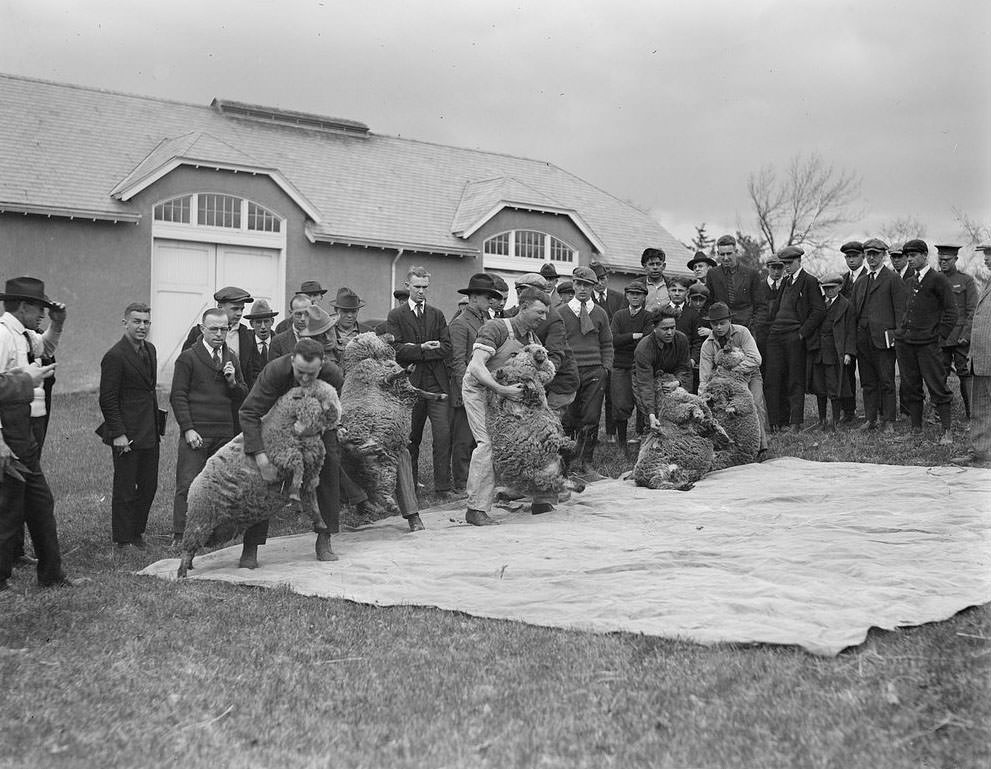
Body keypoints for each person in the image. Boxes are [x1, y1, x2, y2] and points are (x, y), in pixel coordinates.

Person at [238, 338, 344, 564]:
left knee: (329, 467)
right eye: (300, 372)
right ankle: (251, 546)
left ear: (322, 364)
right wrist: (261, 457)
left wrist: (312, 429)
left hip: (317, 429)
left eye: (311, 374)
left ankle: (324, 538)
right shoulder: (274, 371)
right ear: (292, 360)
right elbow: (249, 413)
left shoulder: (333, 374)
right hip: (279, 426)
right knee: (262, 483)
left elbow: (333, 416)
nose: (305, 379)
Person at [0, 277, 69, 592]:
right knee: (9, 511)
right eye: (40, 307)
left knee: (40, 504)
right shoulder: (2, 336)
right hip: (10, 435)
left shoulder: (24, 334)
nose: (43, 312)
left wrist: (58, 323)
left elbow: (47, 346)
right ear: (24, 306)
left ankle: (52, 575)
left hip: (26, 433)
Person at [462, 288, 551, 525]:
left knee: (533, 440)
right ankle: (476, 509)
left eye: (546, 313)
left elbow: (543, 371)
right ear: (523, 307)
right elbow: (476, 367)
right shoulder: (496, 328)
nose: (543, 318)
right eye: (539, 312)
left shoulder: (533, 339)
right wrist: (501, 389)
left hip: (507, 397)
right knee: (488, 444)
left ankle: (540, 498)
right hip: (480, 391)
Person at [169, 308, 249, 548]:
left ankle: (214, 534)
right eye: (213, 329)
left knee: (220, 484)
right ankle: (181, 535)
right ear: (202, 329)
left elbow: (243, 395)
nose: (218, 334)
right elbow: (178, 396)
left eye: (223, 329)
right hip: (197, 431)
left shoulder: (231, 358)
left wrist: (233, 382)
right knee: (188, 483)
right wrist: (188, 429)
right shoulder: (188, 358)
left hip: (223, 431)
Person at [386, 266, 454, 499]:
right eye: (417, 287)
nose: (422, 291)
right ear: (408, 286)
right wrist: (422, 349)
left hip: (436, 384)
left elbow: (446, 348)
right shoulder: (396, 316)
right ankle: (409, 488)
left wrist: (414, 352)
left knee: (443, 436)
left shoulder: (437, 314)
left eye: (425, 287)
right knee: (411, 438)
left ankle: (443, 488)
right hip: (410, 387)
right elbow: (394, 349)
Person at [98, 302, 162, 549]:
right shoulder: (114, 356)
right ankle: (123, 539)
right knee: (125, 486)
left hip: (149, 430)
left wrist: (156, 425)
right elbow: (108, 398)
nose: (142, 326)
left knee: (148, 485)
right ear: (125, 323)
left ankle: (137, 532)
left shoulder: (151, 350)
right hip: (126, 433)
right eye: (137, 321)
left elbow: (148, 390)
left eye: (146, 322)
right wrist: (119, 434)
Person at [894, 239, 957, 444]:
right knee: (911, 386)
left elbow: (951, 312)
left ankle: (947, 431)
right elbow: (905, 311)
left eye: (913, 256)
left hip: (929, 344)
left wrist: (939, 338)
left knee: (937, 386)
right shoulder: (909, 281)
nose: (909, 259)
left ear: (924, 255)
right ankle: (916, 429)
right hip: (907, 343)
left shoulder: (938, 279)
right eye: (907, 256)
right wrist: (901, 333)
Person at [559, 266, 614, 481]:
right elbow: (556, 342)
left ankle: (586, 464)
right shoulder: (561, 312)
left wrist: (605, 368)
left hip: (595, 371)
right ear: (573, 285)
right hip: (569, 372)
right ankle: (565, 465)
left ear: (594, 287)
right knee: (568, 419)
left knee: (591, 418)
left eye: (587, 285)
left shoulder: (600, 313)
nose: (582, 289)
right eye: (578, 284)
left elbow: (607, 344)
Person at [448, 273, 501, 493]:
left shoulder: (488, 322)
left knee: (482, 438)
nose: (490, 301)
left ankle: (479, 481)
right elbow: (457, 361)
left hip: (486, 387)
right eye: (486, 297)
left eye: (491, 297)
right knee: (463, 438)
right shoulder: (460, 323)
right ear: (473, 298)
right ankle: (461, 482)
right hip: (468, 389)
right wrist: (464, 391)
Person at [764, 246, 825, 433]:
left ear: (799, 261)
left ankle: (795, 423)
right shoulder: (785, 281)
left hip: (794, 336)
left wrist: (802, 333)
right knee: (773, 378)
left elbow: (819, 310)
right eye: (785, 264)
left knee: (795, 379)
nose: (787, 267)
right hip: (776, 335)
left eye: (790, 263)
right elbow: (777, 309)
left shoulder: (810, 281)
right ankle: (776, 422)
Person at [853, 238, 909, 433]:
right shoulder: (861, 282)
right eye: (868, 254)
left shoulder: (893, 279)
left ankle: (889, 420)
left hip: (884, 341)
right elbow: (854, 312)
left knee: (886, 381)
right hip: (863, 339)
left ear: (883, 255)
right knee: (868, 382)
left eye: (875, 254)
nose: (871, 258)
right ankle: (871, 419)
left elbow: (901, 312)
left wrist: (895, 337)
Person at [697, 302, 769, 450]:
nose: (718, 327)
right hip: (723, 381)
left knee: (754, 404)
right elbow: (704, 374)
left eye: (722, 323)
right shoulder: (707, 345)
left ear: (730, 321)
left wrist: (734, 369)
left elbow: (756, 359)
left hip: (749, 375)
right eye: (715, 324)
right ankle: (730, 444)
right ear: (710, 324)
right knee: (722, 409)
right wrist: (702, 394)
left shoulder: (742, 333)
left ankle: (760, 445)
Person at [508, 274, 579, 414]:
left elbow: (555, 354)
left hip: (560, 383)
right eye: (518, 291)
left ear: (541, 293)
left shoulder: (553, 319)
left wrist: (534, 378)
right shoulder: (518, 313)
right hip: (535, 381)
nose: (521, 295)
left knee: (548, 423)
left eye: (526, 291)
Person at [950, 244, 991, 466]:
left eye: (990, 255)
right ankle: (982, 454)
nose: (986, 259)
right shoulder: (987, 283)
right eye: (985, 254)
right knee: (981, 409)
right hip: (981, 359)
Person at [807, 275, 856, 431]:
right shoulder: (819, 303)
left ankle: (835, 422)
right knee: (820, 388)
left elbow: (850, 330)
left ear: (840, 287)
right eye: (826, 288)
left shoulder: (846, 305)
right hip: (818, 351)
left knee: (835, 387)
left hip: (835, 352)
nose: (828, 291)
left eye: (832, 288)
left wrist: (848, 352)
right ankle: (822, 421)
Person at [609, 280, 654, 451]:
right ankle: (622, 445)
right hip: (620, 365)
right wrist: (634, 336)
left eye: (639, 294)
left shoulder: (648, 316)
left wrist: (626, 339)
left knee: (643, 402)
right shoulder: (619, 315)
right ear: (627, 295)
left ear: (644, 297)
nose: (635, 297)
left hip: (640, 365)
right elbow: (614, 339)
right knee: (620, 404)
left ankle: (643, 441)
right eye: (632, 293)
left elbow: (648, 340)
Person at [936, 244, 978, 420]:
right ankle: (938, 412)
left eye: (947, 260)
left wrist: (966, 335)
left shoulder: (966, 280)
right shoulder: (934, 279)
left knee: (965, 374)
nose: (943, 263)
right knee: (939, 374)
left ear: (956, 259)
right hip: (941, 337)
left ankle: (972, 413)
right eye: (941, 260)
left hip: (961, 338)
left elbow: (973, 310)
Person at [633, 307, 693, 430]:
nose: (670, 332)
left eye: (673, 327)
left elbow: (685, 368)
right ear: (654, 328)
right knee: (650, 415)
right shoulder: (644, 348)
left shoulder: (681, 339)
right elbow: (645, 384)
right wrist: (651, 413)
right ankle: (645, 430)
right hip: (644, 378)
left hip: (671, 378)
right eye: (665, 329)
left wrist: (678, 382)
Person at [706, 234, 763, 329]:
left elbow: (760, 306)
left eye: (729, 253)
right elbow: (709, 303)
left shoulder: (751, 274)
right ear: (717, 253)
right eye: (722, 254)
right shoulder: (712, 274)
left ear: (736, 252)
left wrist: (753, 325)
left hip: (746, 327)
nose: (725, 258)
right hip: (721, 327)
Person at [838, 241, 868, 423]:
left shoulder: (869, 276)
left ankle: (874, 411)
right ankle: (848, 411)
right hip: (847, 334)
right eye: (848, 257)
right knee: (846, 373)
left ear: (862, 257)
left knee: (868, 374)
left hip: (865, 332)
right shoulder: (842, 280)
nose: (851, 260)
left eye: (855, 256)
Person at [182, 286, 254, 359]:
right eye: (235, 309)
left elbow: (251, 368)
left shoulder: (246, 335)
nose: (239, 313)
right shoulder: (198, 332)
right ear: (220, 307)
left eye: (242, 309)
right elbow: (185, 362)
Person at [325, 288, 376, 365]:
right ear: (336, 310)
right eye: (345, 311)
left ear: (358, 311)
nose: (349, 315)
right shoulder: (326, 334)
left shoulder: (369, 333)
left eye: (353, 311)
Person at [241, 299, 279, 389]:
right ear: (251, 324)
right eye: (258, 322)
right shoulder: (244, 342)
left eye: (266, 321)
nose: (263, 327)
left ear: (272, 321)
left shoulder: (279, 342)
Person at [269, 294, 312, 358]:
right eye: (298, 314)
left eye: (307, 314)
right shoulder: (278, 341)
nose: (303, 319)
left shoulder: (319, 338)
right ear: (290, 313)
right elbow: (273, 367)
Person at [640, 248, 671, 314]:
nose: (655, 267)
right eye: (651, 264)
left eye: (658, 264)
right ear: (645, 266)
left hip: (668, 323)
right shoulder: (637, 285)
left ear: (664, 266)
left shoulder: (672, 285)